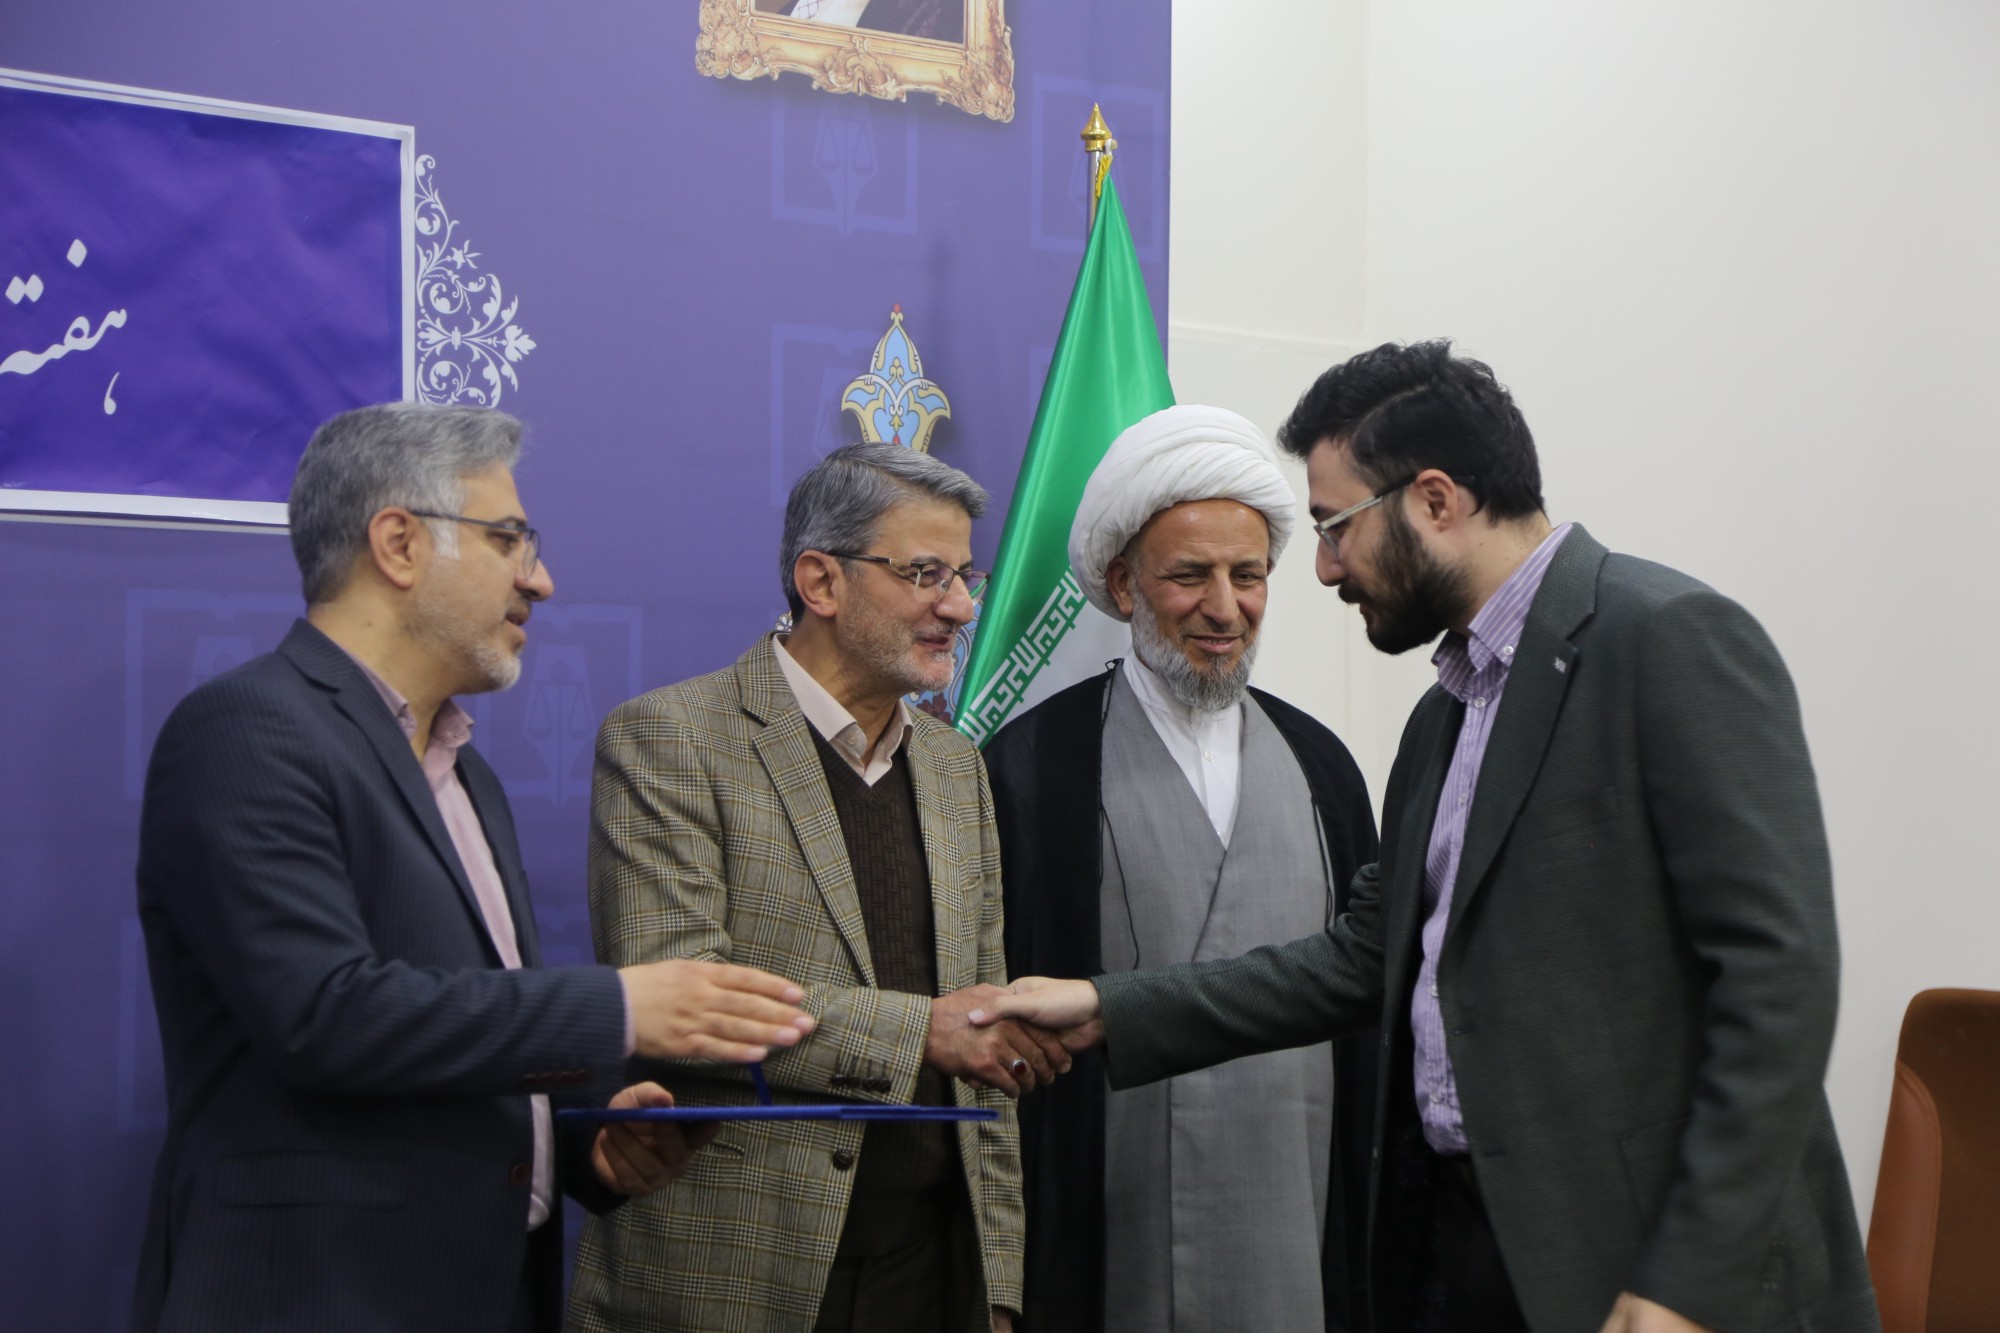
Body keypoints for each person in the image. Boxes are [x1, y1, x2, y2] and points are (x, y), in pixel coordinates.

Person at [973, 343, 1881, 1333]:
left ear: (1435, 500)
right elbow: (1366, 957)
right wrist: (1104, 1004)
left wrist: (1686, 1280)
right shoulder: (1443, 715)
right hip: (1468, 1258)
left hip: (1645, 1273)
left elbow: (1776, 979)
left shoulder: (1666, 638)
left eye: (1334, 527)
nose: (1323, 566)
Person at [132, 402, 814, 1333]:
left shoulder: (470, 775)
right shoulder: (247, 728)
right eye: (507, 539)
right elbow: (323, 1014)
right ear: (399, 543)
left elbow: (469, 1031)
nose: (541, 579)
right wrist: (620, 1006)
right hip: (316, 1297)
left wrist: (585, 1142)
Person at [568, 443, 1059, 1333]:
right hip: (741, 1275)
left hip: (935, 1273)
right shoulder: (669, 739)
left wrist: (999, 1283)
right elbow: (684, 996)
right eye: (926, 573)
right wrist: (922, 1031)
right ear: (820, 582)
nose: (960, 605)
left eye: (966, 576)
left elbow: (984, 1045)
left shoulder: (958, 767)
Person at [983, 405, 1378, 1333]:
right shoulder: (1032, 765)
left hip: (1296, 1222)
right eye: (1189, 575)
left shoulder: (1324, 765)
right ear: (1124, 584)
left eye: (1248, 575)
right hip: (1103, 1240)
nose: (1224, 608)